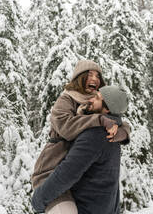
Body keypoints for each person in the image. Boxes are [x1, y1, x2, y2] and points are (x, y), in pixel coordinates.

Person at [31, 60, 131, 213]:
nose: (95, 79)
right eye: (90, 74)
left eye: (98, 75)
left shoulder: (95, 102)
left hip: (72, 177)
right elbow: (66, 127)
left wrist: (122, 132)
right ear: (80, 77)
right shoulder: (67, 99)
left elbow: (116, 117)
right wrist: (100, 120)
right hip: (52, 169)